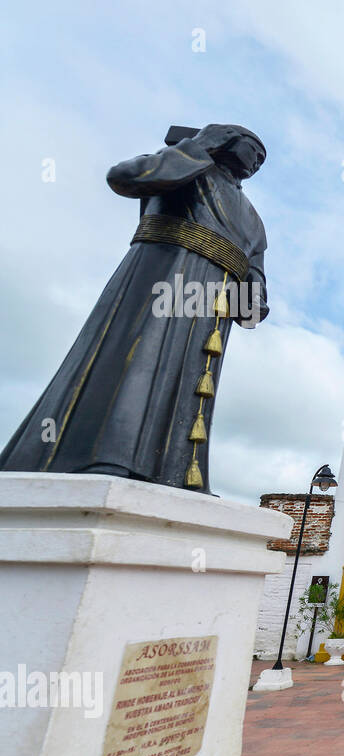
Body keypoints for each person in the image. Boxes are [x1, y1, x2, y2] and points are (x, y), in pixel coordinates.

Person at [0, 124, 269, 493]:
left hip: (211, 304)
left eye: (262, 159)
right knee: (139, 360)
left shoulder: (254, 219)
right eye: (253, 149)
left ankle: (173, 472)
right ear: (224, 140)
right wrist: (198, 146)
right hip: (164, 274)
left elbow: (253, 271)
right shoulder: (188, 167)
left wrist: (253, 299)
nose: (256, 161)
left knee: (189, 382)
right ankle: (109, 455)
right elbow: (126, 177)